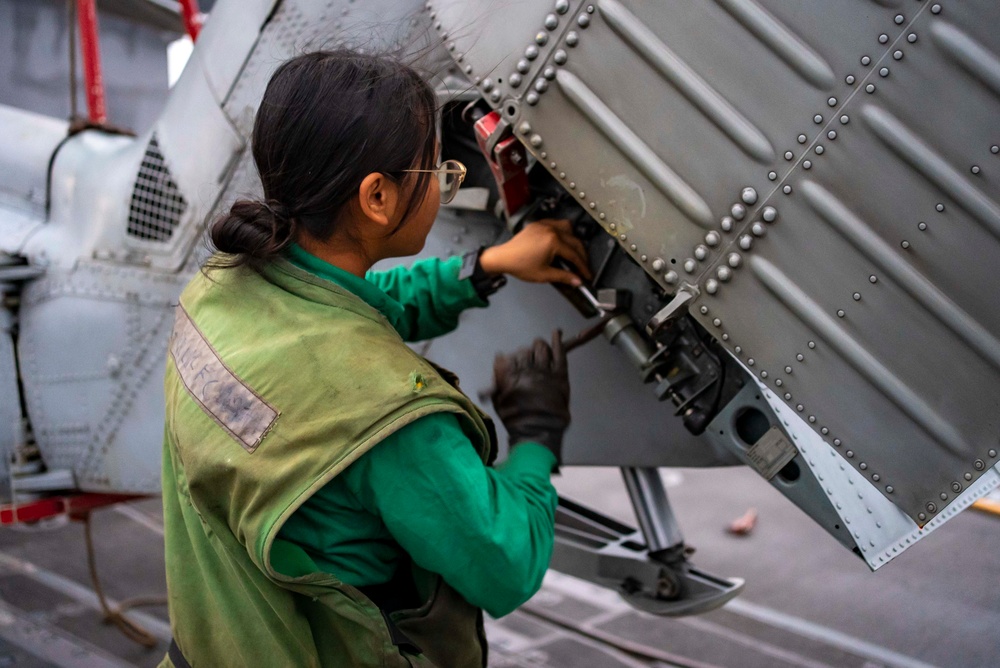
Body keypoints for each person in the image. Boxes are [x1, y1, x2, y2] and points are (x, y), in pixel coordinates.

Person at [159, 50, 592, 667]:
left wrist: (484, 267)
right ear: (378, 197)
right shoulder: (391, 420)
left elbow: (350, 311)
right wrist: (536, 437)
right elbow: (505, 563)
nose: (446, 183)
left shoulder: (221, 291)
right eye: (437, 170)